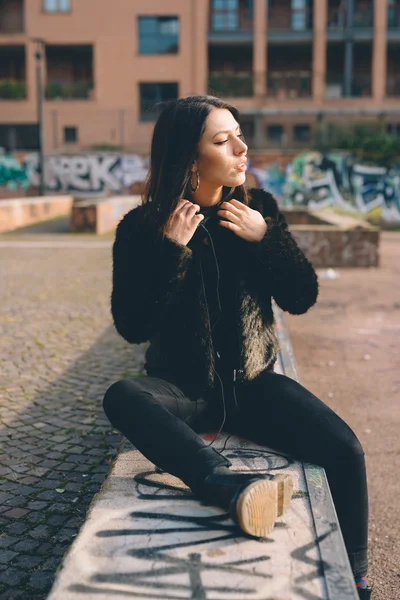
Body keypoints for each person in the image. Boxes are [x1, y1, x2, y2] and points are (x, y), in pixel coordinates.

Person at [103, 95, 371, 598]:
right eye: (224, 141)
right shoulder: (141, 230)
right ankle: (227, 486)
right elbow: (132, 325)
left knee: (346, 449)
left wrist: (266, 238)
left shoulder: (258, 210)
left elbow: (302, 296)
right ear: (189, 157)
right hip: (185, 390)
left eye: (239, 135)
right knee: (123, 396)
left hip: (253, 387)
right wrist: (169, 251)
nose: (242, 149)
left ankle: (354, 580)